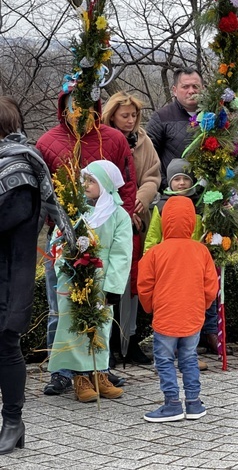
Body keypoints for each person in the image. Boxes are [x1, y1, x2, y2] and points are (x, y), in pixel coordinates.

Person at [38, 89, 136, 396]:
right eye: (72, 106)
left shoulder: (114, 139)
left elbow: (128, 182)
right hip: (68, 258)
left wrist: (125, 214)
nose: (79, 112)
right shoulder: (46, 142)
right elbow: (41, 190)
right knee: (63, 314)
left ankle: (98, 370)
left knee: (101, 321)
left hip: (101, 269)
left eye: (85, 106)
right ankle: (64, 372)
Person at [0, 96, 75, 455]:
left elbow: (8, 218)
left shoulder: (19, 169)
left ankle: (13, 422)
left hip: (8, 278)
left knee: (6, 347)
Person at [48, 160, 133, 403]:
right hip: (73, 278)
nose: (85, 185)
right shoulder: (74, 210)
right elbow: (58, 241)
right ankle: (79, 378)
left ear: (105, 184)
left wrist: (114, 287)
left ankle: (99, 373)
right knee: (73, 326)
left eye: (92, 181)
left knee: (100, 327)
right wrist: (65, 268)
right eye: (84, 179)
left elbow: (121, 253)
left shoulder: (118, 215)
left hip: (101, 279)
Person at [138, 196, 218, 422]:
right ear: (192, 221)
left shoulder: (155, 252)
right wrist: (202, 306)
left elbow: (145, 286)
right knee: (189, 358)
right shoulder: (201, 251)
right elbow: (210, 286)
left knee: (164, 360)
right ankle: (193, 403)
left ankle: (172, 403)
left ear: (164, 221)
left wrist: (151, 307)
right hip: (193, 316)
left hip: (165, 316)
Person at [143, 159, 223, 368]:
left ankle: (191, 352)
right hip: (167, 267)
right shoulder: (161, 206)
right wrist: (151, 261)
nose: (181, 183)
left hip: (192, 268)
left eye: (185, 179)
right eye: (176, 179)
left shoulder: (199, 205)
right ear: (169, 182)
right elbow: (153, 238)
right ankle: (169, 354)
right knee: (171, 310)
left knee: (190, 311)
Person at [103, 91, 161, 365]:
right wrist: (124, 208)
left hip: (137, 218)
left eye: (134, 115)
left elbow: (152, 175)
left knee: (133, 283)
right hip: (110, 217)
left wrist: (141, 199)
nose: (130, 120)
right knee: (110, 279)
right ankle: (108, 341)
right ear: (112, 115)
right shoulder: (102, 139)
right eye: (124, 115)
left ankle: (130, 339)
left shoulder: (144, 140)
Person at [146, 67, 203, 189]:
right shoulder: (162, 118)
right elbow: (148, 157)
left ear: (202, 89)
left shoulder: (214, 117)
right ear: (175, 90)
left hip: (209, 195)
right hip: (174, 194)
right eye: (185, 87)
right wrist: (166, 185)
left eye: (195, 86)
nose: (191, 91)